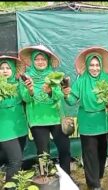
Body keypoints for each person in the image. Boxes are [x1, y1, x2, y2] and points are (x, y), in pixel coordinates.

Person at [62, 47, 108, 190]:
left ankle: (98, 178)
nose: (94, 68)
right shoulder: (81, 81)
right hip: (87, 124)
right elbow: (72, 100)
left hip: (103, 122)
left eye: (97, 65)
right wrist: (66, 94)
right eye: (91, 65)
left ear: (101, 66)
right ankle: (94, 185)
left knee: (102, 154)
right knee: (90, 156)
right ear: (87, 66)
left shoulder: (106, 79)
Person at [19, 45, 71, 175]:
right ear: (32, 61)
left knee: (65, 149)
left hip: (56, 118)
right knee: (43, 153)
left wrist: (50, 92)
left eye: (43, 59)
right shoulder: (26, 77)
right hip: (37, 120)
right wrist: (30, 90)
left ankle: (66, 178)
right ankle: (46, 180)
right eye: (37, 59)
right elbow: (25, 99)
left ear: (47, 61)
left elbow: (59, 95)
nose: (40, 62)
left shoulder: (55, 76)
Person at [0, 55, 28, 182]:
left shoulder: (19, 85)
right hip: (4, 130)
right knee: (16, 161)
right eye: (2, 68)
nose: (5, 70)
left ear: (13, 70)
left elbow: (27, 98)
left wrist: (30, 89)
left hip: (20, 128)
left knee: (12, 159)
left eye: (8, 68)